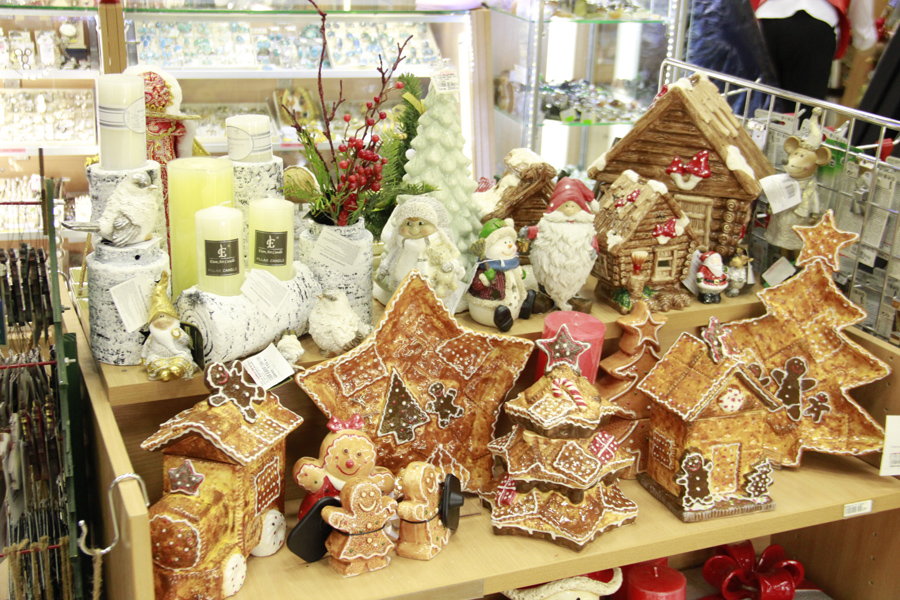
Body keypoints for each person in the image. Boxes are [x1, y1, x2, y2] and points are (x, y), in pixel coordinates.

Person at [753, 0, 877, 109]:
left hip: (766, 19)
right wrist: (865, 38)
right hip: (817, 25)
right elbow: (864, 35)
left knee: (757, 105)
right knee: (801, 113)